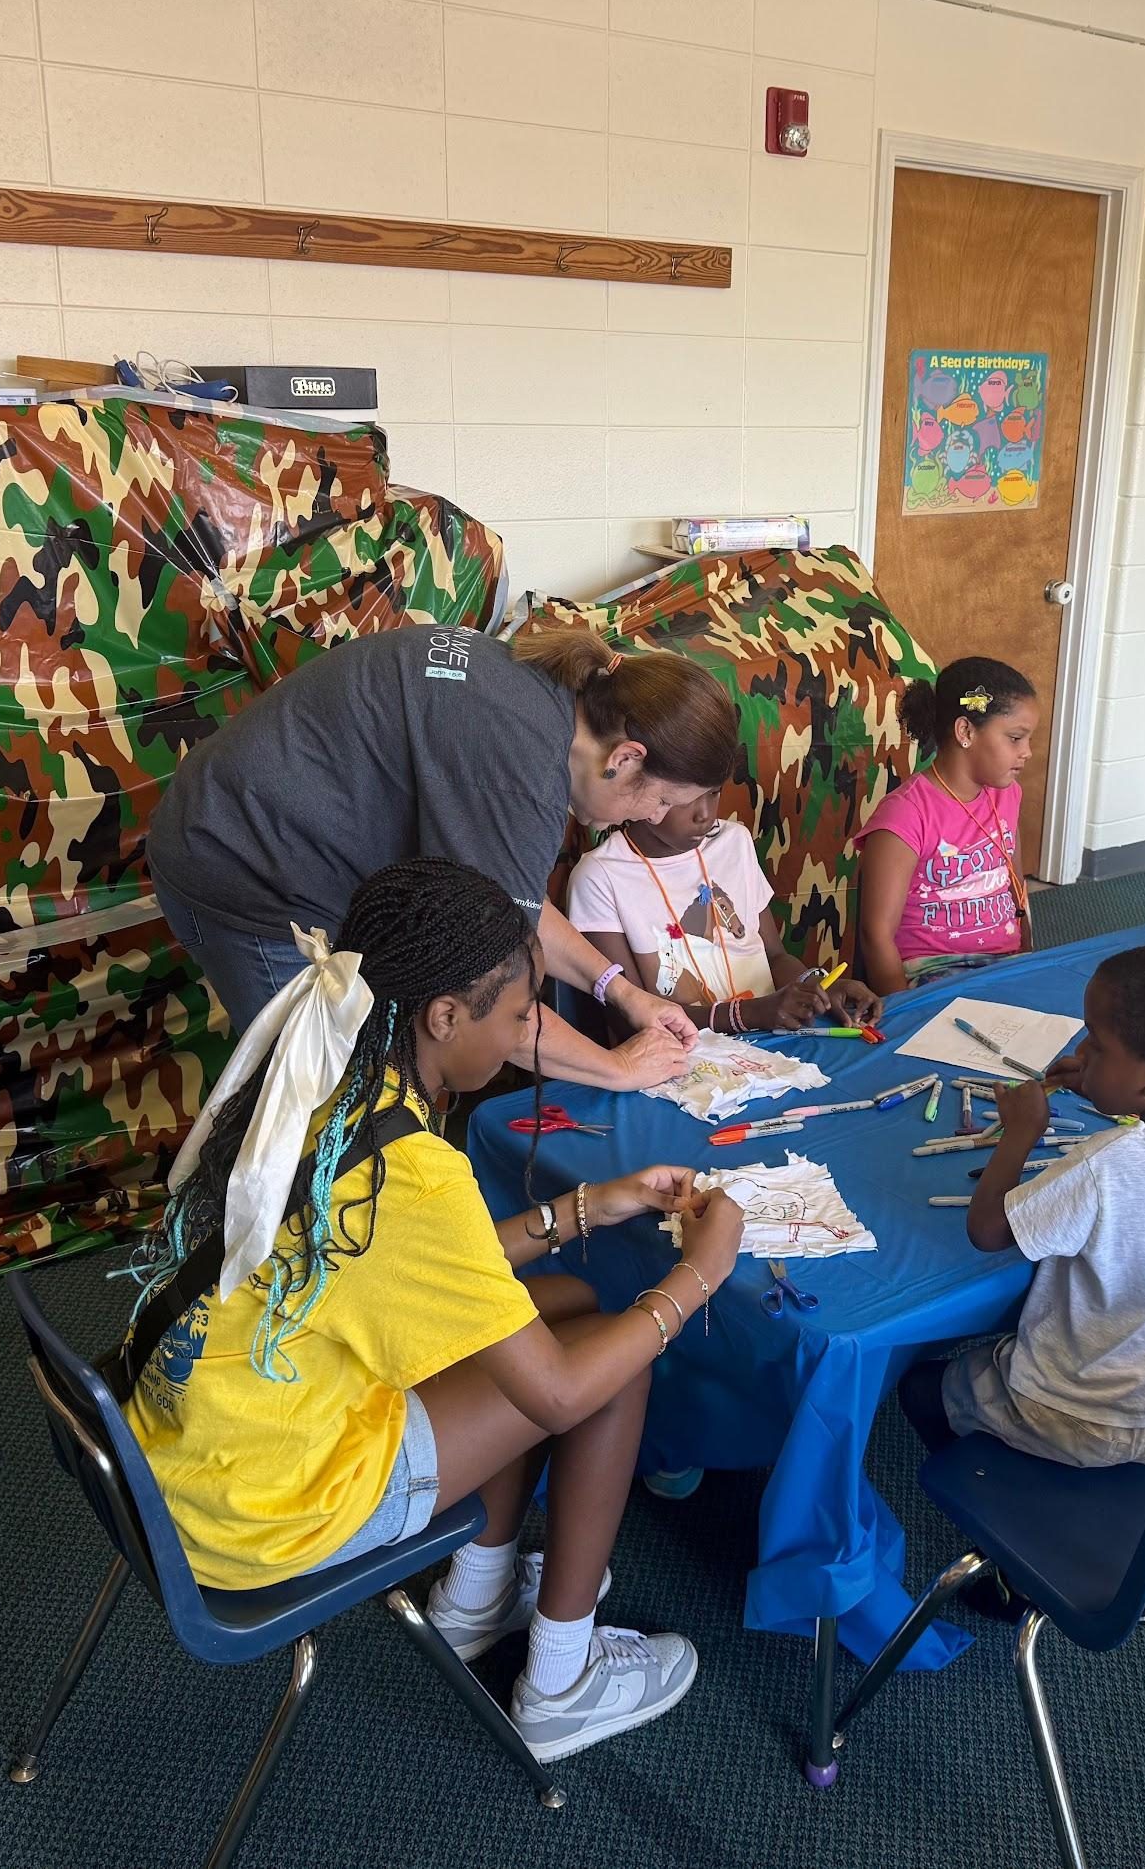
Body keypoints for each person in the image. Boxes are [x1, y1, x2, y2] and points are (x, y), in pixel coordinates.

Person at [125, 858, 747, 1762]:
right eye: (521, 1012)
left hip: (191, 1444)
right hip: (266, 1505)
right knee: (616, 1358)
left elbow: (435, 1269)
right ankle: (562, 1683)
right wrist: (700, 1274)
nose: (529, 1031)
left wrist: (592, 1205)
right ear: (445, 1016)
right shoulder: (413, 1168)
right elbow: (564, 1391)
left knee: (568, 1298)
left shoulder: (330, 1068)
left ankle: (475, 1596)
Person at [146, 621, 739, 1089]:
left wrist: (622, 990)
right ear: (628, 757)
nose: (657, 818)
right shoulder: (521, 767)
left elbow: (511, 905)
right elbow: (486, 992)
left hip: (267, 835)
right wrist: (618, 1068)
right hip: (243, 873)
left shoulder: (546, 697)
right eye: (662, 799)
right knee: (332, 1116)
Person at [900, 941, 1145, 1471]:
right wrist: (1105, 1085)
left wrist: (1021, 1134)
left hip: (1077, 1417)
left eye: (1097, 1044)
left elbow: (988, 1230)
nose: (1083, 1053)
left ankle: (998, 1482)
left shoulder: (1106, 1166)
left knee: (919, 1385)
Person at [567, 785, 882, 1036]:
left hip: (776, 1043)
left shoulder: (735, 841)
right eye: (688, 797)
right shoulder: (599, 876)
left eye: (714, 791)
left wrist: (820, 987)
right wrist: (750, 1014)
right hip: (683, 1064)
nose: (704, 813)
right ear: (647, 786)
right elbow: (630, 1020)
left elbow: (774, 956)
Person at [856, 656, 1040, 996]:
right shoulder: (905, 815)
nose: (1027, 752)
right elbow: (875, 935)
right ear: (965, 731)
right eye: (1015, 738)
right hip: (933, 975)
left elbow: (1016, 885)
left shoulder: (1007, 795)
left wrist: (1029, 959)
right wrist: (901, 1015)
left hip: (1004, 964)